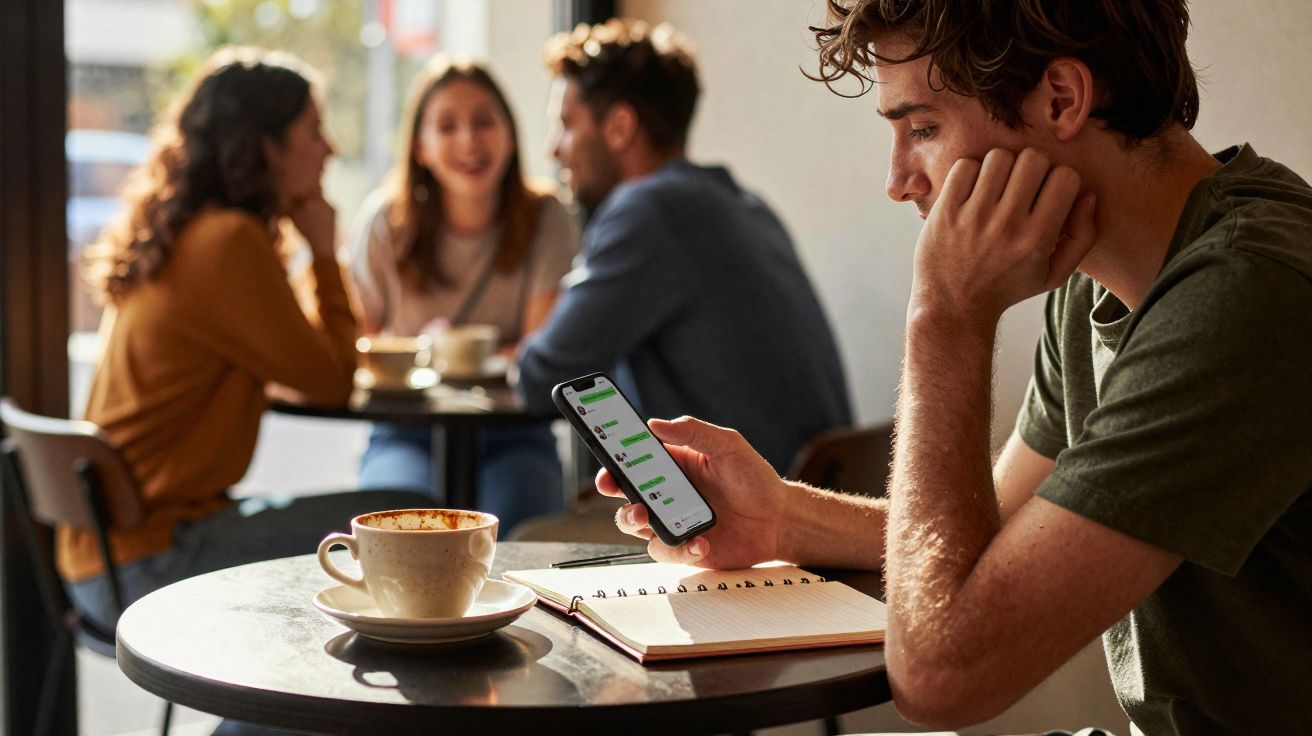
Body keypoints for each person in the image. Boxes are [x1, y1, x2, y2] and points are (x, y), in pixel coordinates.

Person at [598, 2, 1312, 733]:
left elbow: (942, 679)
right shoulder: (1101, 279)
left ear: (1061, 99)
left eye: (923, 128)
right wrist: (783, 518)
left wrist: (943, 320)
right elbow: (997, 534)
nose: (899, 179)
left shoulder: (1250, 292)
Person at [72, 47, 431, 638]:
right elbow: (333, 382)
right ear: (267, 146)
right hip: (152, 557)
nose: (331, 149)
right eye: (313, 131)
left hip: (105, 556)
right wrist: (321, 248)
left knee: (397, 512)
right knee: (409, 514)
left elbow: (288, 362)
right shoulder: (228, 243)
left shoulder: (186, 232)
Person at [516, 20, 852, 474]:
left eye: (566, 125)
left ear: (619, 126)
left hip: (742, 514)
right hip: (817, 493)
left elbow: (541, 377)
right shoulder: (742, 203)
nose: (554, 150)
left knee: (524, 533)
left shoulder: (650, 211)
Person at [349, 56, 579, 533]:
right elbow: (362, 347)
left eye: (484, 122)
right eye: (447, 126)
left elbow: (541, 346)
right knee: (397, 530)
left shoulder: (546, 218)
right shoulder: (383, 223)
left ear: (511, 135)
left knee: (520, 536)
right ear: (420, 147)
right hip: (405, 429)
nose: (469, 142)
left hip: (515, 432)